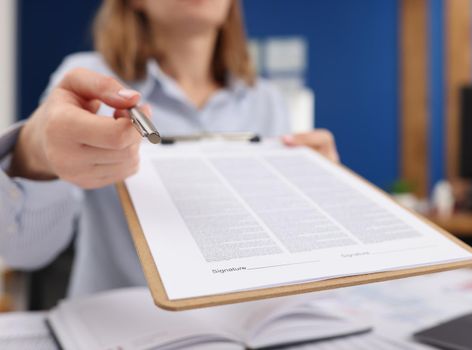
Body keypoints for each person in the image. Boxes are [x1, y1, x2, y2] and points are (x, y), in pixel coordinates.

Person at [0, 0, 338, 297]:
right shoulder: (89, 83)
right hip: (124, 332)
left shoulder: (267, 100)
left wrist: (318, 194)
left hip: (250, 322)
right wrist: (34, 155)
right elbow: (23, 252)